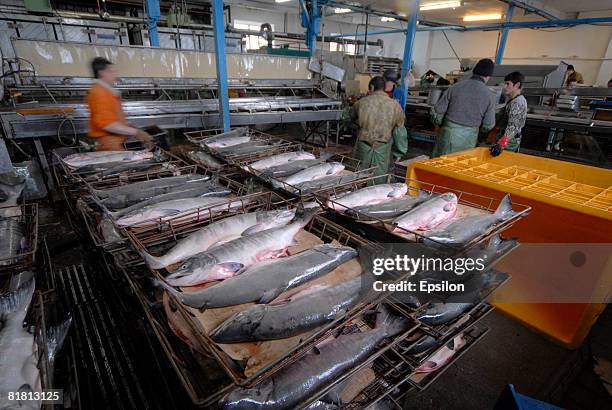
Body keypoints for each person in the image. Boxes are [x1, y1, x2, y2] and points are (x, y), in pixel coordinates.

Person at [430, 58, 496, 157]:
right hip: (469, 140)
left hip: (447, 137)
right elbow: (488, 124)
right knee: (459, 168)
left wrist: (441, 125)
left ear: (474, 71)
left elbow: (437, 114)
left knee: (438, 166)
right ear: (488, 76)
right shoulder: (490, 95)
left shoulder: (454, 87)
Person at [86, 57, 153, 151]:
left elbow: (113, 117)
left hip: (114, 141)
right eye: (112, 71)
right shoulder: (99, 92)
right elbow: (107, 124)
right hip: (109, 144)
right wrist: (136, 132)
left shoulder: (106, 91)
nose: (115, 74)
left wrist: (127, 126)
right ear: (102, 72)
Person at [351, 76, 407, 182]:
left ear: (371, 87)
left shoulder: (361, 102)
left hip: (363, 150)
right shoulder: (395, 105)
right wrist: (398, 153)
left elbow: (347, 118)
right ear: (384, 88)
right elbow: (400, 133)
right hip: (383, 151)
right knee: (378, 182)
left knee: (358, 180)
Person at [490, 71, 528, 156]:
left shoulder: (518, 102)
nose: (504, 86)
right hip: (504, 139)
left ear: (517, 85)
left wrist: (501, 145)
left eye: (508, 84)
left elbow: (513, 127)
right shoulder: (513, 100)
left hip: (509, 143)